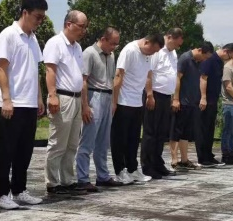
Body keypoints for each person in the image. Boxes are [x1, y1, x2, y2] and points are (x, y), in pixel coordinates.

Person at [0, 0, 48, 209]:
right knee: (6, 150)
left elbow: (35, 70)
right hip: (12, 103)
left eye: (42, 17)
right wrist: (6, 99)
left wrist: (39, 97)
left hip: (29, 103)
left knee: (25, 150)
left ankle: (19, 189)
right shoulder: (8, 35)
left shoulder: (33, 39)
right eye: (37, 17)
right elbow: (1, 68)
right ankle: (2, 193)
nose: (40, 21)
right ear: (25, 12)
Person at [43, 10, 92, 197]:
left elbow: (80, 77)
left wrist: (85, 103)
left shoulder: (77, 47)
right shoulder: (55, 43)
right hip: (62, 97)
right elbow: (50, 70)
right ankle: (52, 182)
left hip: (76, 98)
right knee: (58, 143)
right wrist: (52, 95)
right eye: (81, 26)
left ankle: (67, 180)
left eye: (85, 27)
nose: (83, 31)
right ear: (68, 24)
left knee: (72, 144)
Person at [111, 33, 164, 185]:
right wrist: (114, 101)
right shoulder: (129, 50)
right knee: (120, 139)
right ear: (146, 42)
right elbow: (119, 75)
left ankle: (132, 169)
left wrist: (149, 94)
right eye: (152, 50)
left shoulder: (148, 55)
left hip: (137, 101)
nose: (152, 54)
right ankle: (120, 171)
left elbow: (148, 75)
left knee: (133, 139)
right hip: (123, 101)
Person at [76, 27, 123, 190]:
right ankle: (82, 178)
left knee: (103, 141)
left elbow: (112, 79)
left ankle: (102, 175)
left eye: (116, 44)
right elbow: (83, 80)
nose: (114, 47)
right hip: (94, 95)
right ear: (103, 39)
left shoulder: (111, 55)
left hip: (107, 96)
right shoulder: (89, 53)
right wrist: (85, 105)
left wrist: (113, 102)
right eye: (112, 43)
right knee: (88, 140)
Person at [141, 28, 184, 180]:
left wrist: (174, 97)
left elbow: (173, 75)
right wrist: (149, 94)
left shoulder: (173, 53)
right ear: (170, 37)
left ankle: (157, 163)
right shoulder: (157, 51)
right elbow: (148, 73)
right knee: (150, 132)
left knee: (161, 133)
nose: (178, 47)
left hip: (166, 96)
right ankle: (147, 166)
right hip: (154, 95)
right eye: (177, 43)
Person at [171, 41, 214, 169]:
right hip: (182, 101)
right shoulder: (185, 58)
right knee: (177, 131)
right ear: (200, 50)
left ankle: (184, 159)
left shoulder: (198, 62)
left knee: (186, 133)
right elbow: (177, 78)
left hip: (192, 101)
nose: (205, 60)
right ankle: (174, 160)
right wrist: (176, 98)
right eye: (205, 56)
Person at [197, 43, 233, 167]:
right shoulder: (210, 59)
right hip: (206, 100)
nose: (230, 59)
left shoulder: (219, 62)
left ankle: (209, 155)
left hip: (213, 99)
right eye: (230, 56)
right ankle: (202, 157)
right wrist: (203, 97)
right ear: (225, 51)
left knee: (210, 129)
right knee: (203, 128)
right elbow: (203, 78)